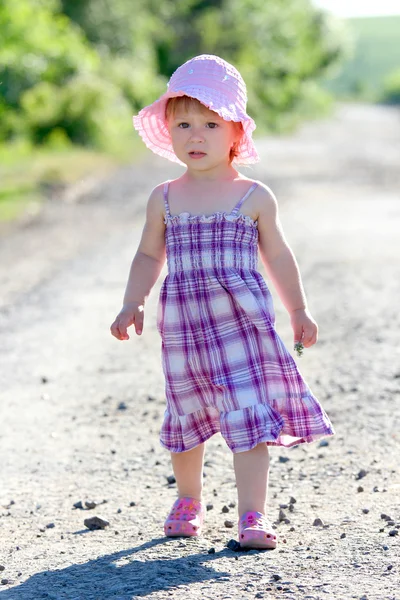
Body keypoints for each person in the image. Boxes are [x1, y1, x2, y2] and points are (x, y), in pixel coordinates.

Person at [110, 54, 334, 550]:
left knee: (247, 412)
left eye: (211, 124)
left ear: (235, 131)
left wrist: (297, 309)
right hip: (184, 329)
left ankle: (252, 514)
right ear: (167, 129)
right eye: (183, 123)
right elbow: (149, 254)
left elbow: (277, 254)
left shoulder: (253, 196)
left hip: (241, 328)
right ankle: (188, 499)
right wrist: (134, 301)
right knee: (186, 413)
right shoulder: (164, 197)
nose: (196, 135)